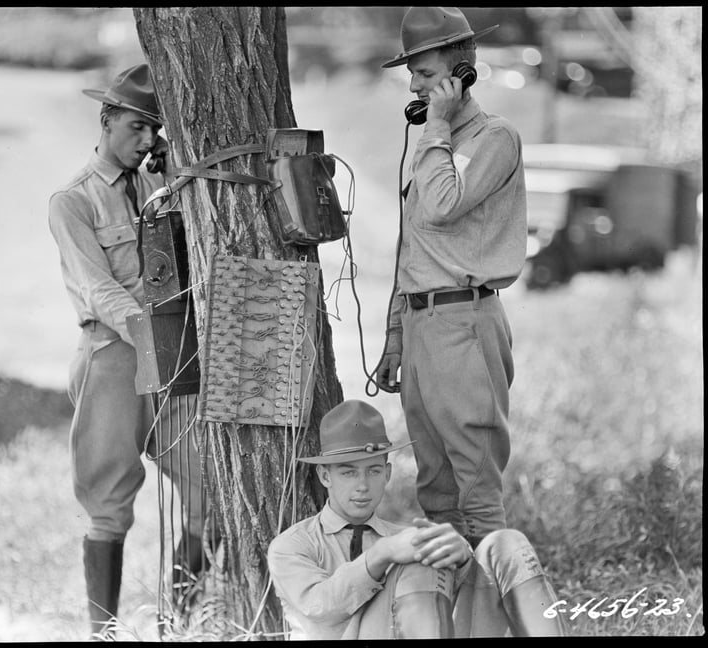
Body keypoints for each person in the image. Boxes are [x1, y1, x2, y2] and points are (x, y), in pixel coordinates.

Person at [48, 63, 208, 639]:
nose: (147, 141)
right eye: (138, 127)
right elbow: (96, 287)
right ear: (107, 119)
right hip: (113, 356)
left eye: (155, 131)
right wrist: (145, 331)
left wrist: (178, 177)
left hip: (173, 357)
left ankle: (180, 622)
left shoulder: (165, 188)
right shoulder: (73, 201)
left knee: (207, 487)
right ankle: (105, 632)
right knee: (109, 501)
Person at [375, 7, 527, 550]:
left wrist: (435, 129)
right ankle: (455, 617)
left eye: (424, 73)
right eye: (411, 74)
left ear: (461, 74)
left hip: (465, 320)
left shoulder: (492, 139)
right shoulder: (430, 147)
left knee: (475, 490)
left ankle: (499, 616)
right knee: (436, 491)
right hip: (422, 326)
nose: (413, 85)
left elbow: (442, 207)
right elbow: (412, 248)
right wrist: (395, 337)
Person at [266, 400, 566, 639]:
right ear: (324, 476)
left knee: (506, 543)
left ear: (387, 474)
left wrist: (463, 561)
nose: (362, 485)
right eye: (348, 472)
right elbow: (319, 607)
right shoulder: (292, 544)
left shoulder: (404, 538)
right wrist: (382, 554)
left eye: (372, 471)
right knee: (418, 558)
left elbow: (456, 606)